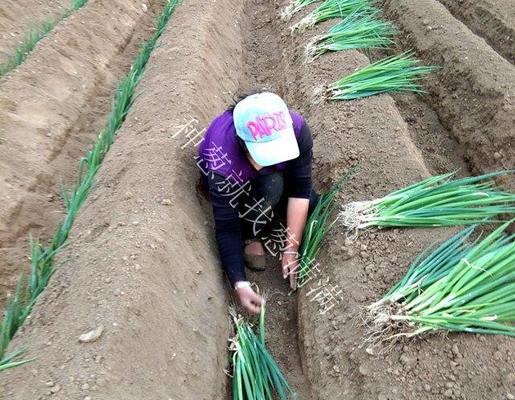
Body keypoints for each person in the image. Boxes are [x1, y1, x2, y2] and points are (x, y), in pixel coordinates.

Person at [198, 91, 317, 314]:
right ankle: (252, 234)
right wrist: (240, 283)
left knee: (310, 201)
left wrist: (291, 249)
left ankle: (270, 218)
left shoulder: (297, 128)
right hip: (234, 186)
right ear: (242, 143)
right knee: (273, 184)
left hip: (265, 178)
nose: (275, 159)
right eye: (266, 155)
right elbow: (226, 228)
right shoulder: (222, 163)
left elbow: (300, 189)